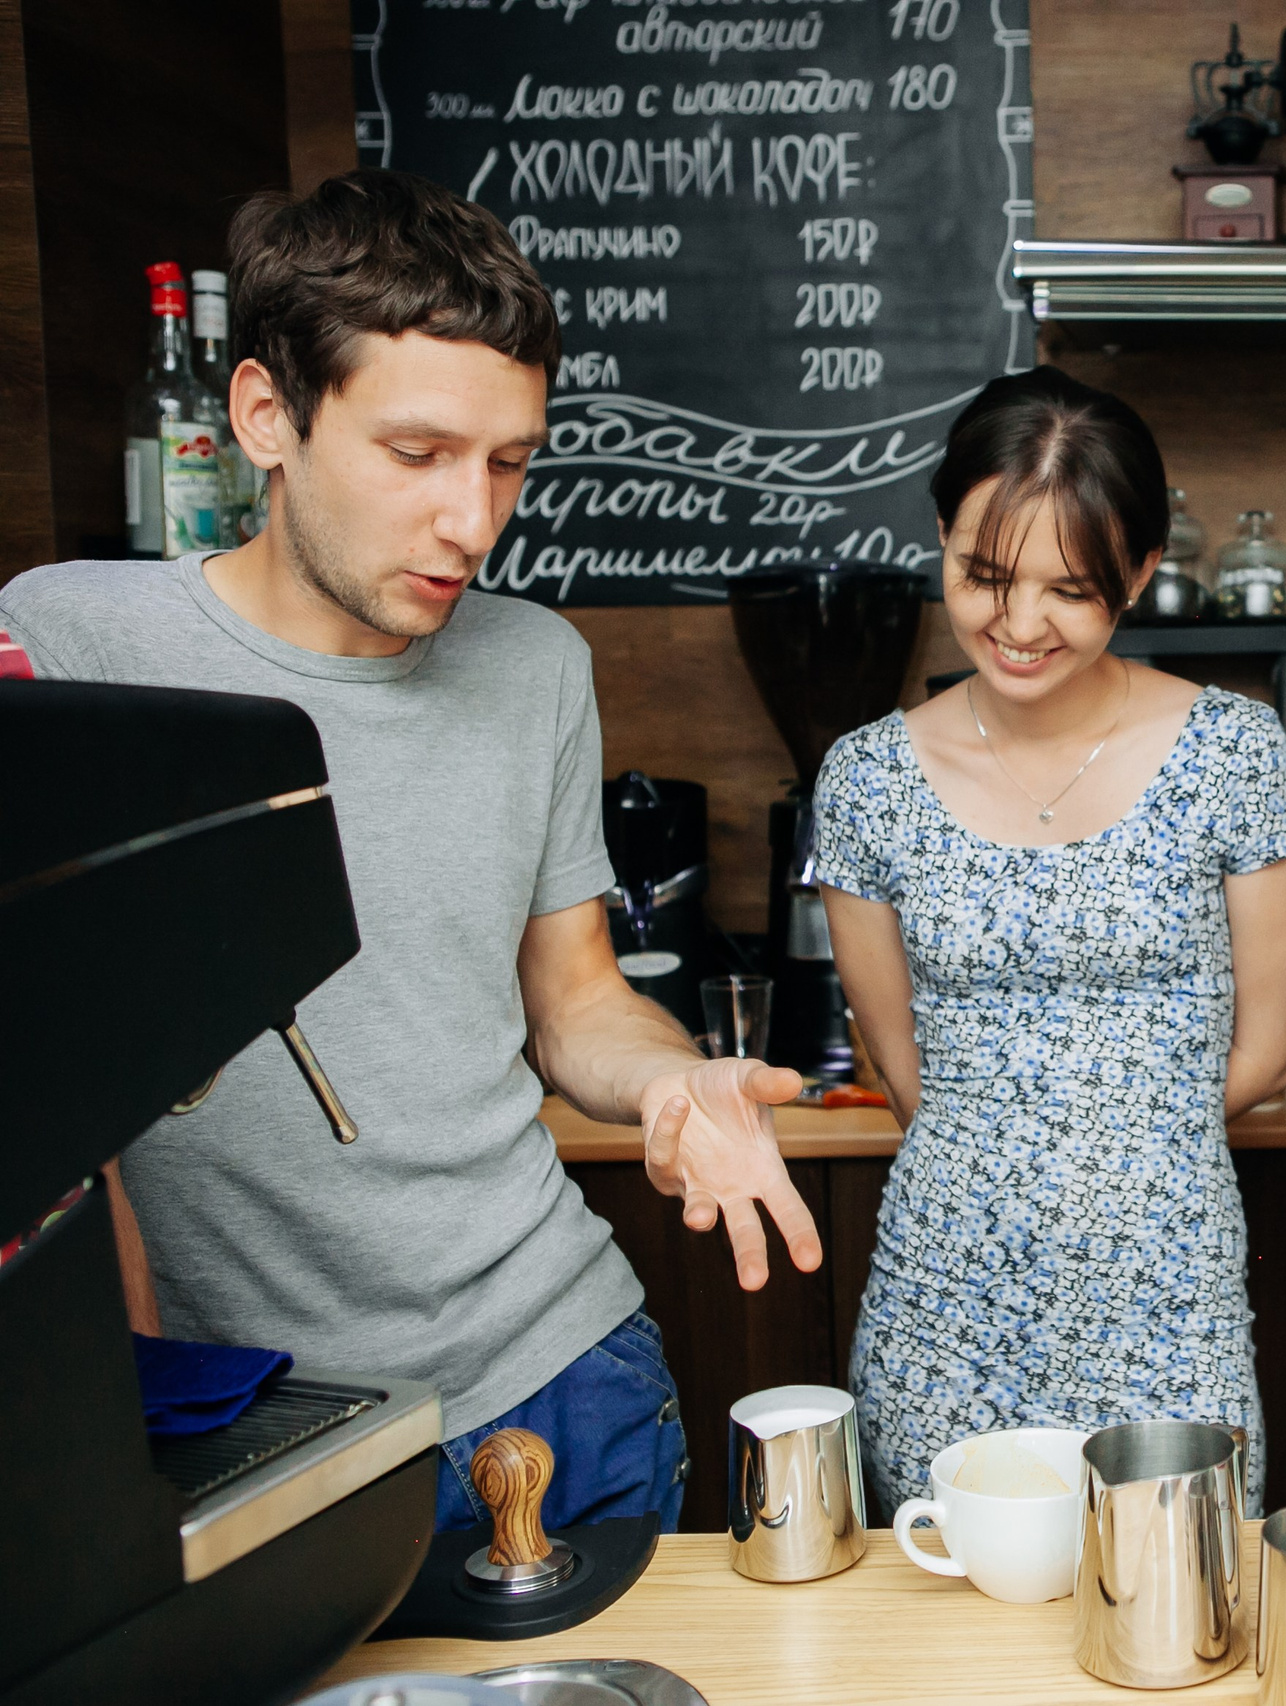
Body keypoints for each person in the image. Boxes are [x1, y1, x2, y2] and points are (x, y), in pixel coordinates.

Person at [0, 170, 820, 1533]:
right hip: (256, 1419)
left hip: (569, 1377)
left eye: (510, 461)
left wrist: (675, 1083)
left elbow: (574, 1000)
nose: (475, 520)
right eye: (419, 453)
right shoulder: (72, 643)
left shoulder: (536, 664)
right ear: (267, 414)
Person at [814, 368, 1286, 1511]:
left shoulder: (1233, 751)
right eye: (983, 576)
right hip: (942, 1301)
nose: (1019, 623)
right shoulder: (867, 777)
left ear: (1138, 571)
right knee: (949, 1653)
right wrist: (1022, 1152)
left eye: (1069, 588)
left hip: (1167, 1294)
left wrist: (1110, 1144)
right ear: (941, 534)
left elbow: (1275, 1047)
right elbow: (898, 1065)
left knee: (1171, 1624)